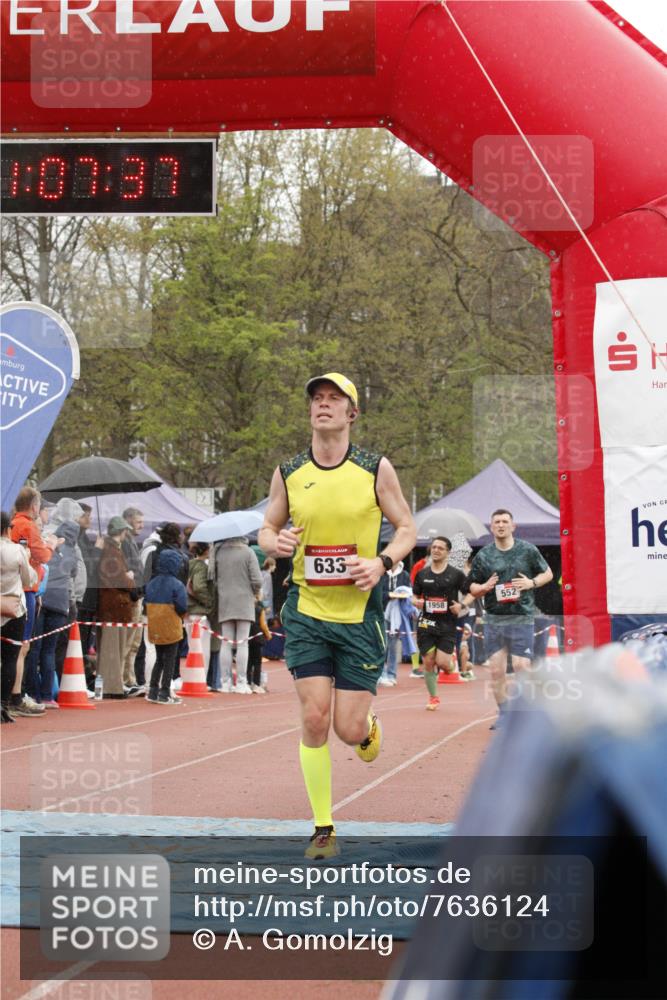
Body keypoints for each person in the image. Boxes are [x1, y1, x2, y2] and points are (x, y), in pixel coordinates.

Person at [259, 371, 416, 859]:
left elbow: (407, 527)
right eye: (317, 399)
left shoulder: (374, 469)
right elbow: (267, 525)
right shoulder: (289, 471)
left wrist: (382, 562)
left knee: (347, 729)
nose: (323, 405)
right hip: (306, 611)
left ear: (352, 413)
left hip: (359, 617)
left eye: (335, 399)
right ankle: (322, 827)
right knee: (314, 716)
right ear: (310, 411)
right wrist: (275, 541)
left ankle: (366, 728)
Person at [468, 508, 553, 728]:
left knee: (521, 666)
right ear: (492, 526)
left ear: (513, 526)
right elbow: (471, 586)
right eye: (497, 522)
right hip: (494, 619)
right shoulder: (484, 556)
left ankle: (524, 713)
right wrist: (483, 587)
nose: (501, 525)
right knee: (496, 671)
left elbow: (548, 573)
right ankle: (505, 715)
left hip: (521, 617)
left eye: (505, 521)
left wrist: (531, 583)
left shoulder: (527, 550)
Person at [9, 487, 58, 717]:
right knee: (21, 645)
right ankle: (15, 696)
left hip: (8, 588)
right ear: (34, 506)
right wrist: (51, 545)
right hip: (24, 589)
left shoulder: (11, 524)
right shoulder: (28, 526)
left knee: (11, 646)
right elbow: (42, 555)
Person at [412, 537, 467, 710]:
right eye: (434, 547)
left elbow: (470, 592)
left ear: (448, 552)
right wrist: (416, 602)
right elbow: (414, 596)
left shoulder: (456, 574)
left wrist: (462, 605)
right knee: (428, 660)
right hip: (426, 623)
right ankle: (433, 698)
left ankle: (450, 665)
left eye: (440, 548)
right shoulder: (422, 574)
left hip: (447, 624)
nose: (436, 550)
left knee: (442, 663)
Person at [213, 536, 263, 694]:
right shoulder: (248, 552)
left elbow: (213, 578)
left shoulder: (218, 552)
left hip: (225, 600)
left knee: (226, 643)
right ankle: (241, 682)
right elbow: (257, 580)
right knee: (243, 643)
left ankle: (225, 682)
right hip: (244, 601)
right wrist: (254, 592)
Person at [1, 511, 38, 723]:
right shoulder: (16, 550)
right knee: (10, 658)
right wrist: (26, 555)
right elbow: (29, 579)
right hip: (13, 610)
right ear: (8, 529)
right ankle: (3, 704)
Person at [97, 516, 137, 699]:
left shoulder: (110, 549)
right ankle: (112, 686)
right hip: (115, 606)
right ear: (121, 531)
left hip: (113, 606)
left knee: (113, 649)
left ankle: (113, 685)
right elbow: (119, 579)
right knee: (113, 649)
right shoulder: (112, 552)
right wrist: (129, 577)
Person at [144, 549, 188, 705]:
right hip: (171, 625)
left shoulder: (151, 583)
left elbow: (145, 602)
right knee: (169, 659)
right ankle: (164, 693)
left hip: (155, 625)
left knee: (159, 659)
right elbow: (182, 606)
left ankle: (153, 691)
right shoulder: (177, 585)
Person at [120, 506, 145, 694]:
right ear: (128, 520)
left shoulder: (132, 542)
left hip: (137, 595)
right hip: (132, 597)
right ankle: (124, 679)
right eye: (138, 522)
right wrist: (136, 592)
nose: (142, 526)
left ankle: (130, 677)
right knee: (128, 642)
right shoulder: (125, 543)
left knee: (135, 642)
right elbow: (129, 570)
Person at [378, 560, 413, 686]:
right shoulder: (381, 573)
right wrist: (389, 595)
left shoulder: (404, 575)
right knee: (382, 645)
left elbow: (409, 592)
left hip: (397, 614)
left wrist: (403, 595)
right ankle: (380, 674)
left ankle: (391, 674)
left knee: (393, 645)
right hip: (381, 612)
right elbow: (377, 593)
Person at [246, 598, 272, 693]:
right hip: (257, 638)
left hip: (247, 637)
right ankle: (256, 684)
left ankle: (247, 682)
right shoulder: (259, 609)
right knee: (257, 662)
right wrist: (268, 635)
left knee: (248, 662)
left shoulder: (245, 608)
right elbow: (263, 624)